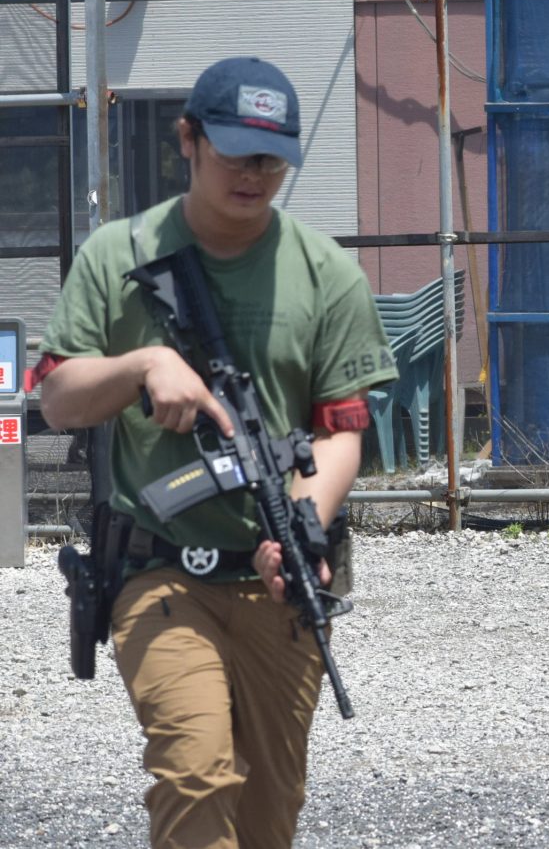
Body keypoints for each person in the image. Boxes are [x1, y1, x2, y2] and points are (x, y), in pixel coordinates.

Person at [37, 57, 397, 849]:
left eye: (271, 158)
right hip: (160, 572)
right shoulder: (118, 255)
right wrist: (143, 366)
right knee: (195, 773)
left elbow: (342, 428)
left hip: (277, 588)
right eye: (235, 153)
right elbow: (57, 397)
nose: (253, 175)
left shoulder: (328, 276)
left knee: (269, 813)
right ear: (187, 140)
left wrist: (300, 524)